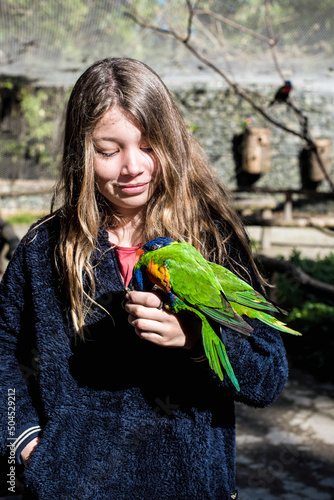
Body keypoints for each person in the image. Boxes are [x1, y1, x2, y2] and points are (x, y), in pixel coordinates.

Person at [0, 58, 288, 500]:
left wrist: (196, 339)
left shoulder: (213, 240)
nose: (132, 166)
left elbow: (268, 376)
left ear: (172, 144)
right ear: (81, 154)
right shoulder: (44, 249)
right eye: (108, 150)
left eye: (148, 145)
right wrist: (22, 448)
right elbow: (4, 357)